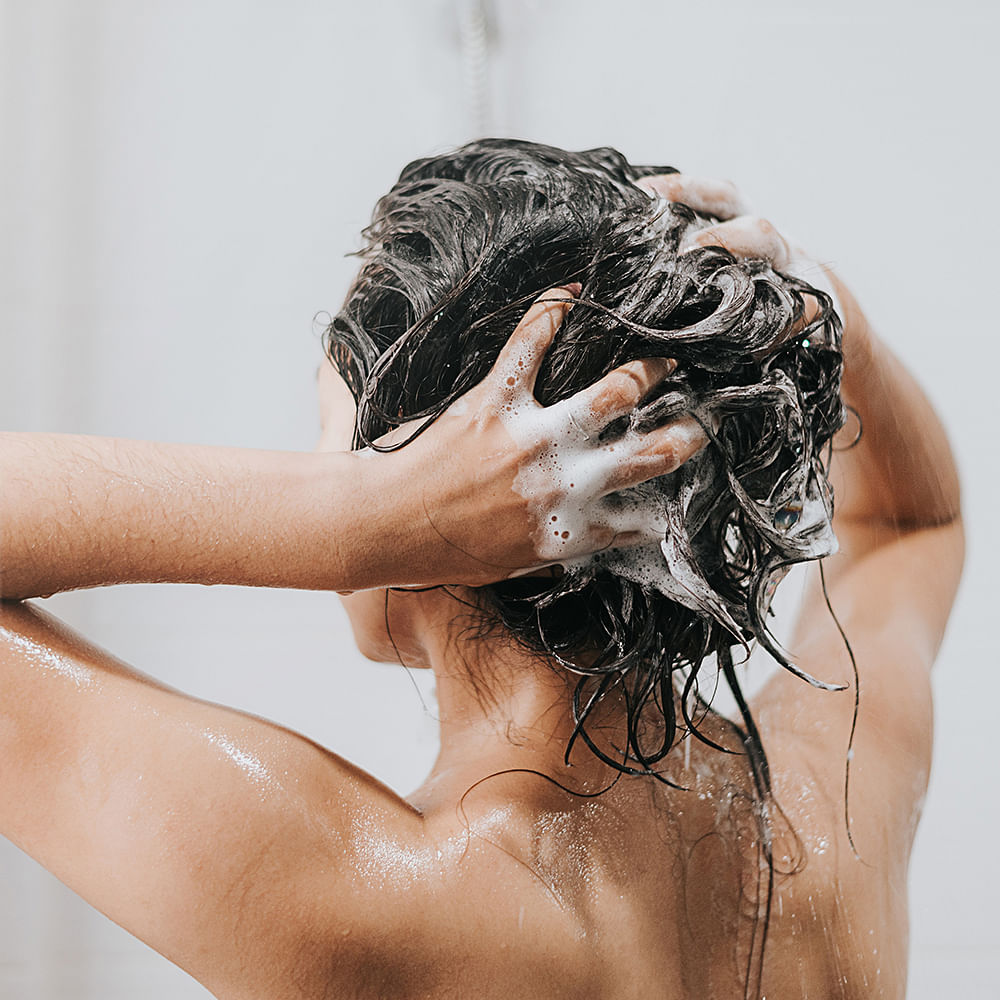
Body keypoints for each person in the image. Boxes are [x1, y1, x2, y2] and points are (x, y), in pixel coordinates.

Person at [0, 141, 962, 1000]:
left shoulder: (370, 899)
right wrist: (831, 319)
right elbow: (918, 521)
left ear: (438, 503)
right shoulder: (831, 814)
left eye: (337, 449)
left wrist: (345, 524)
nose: (324, 472)